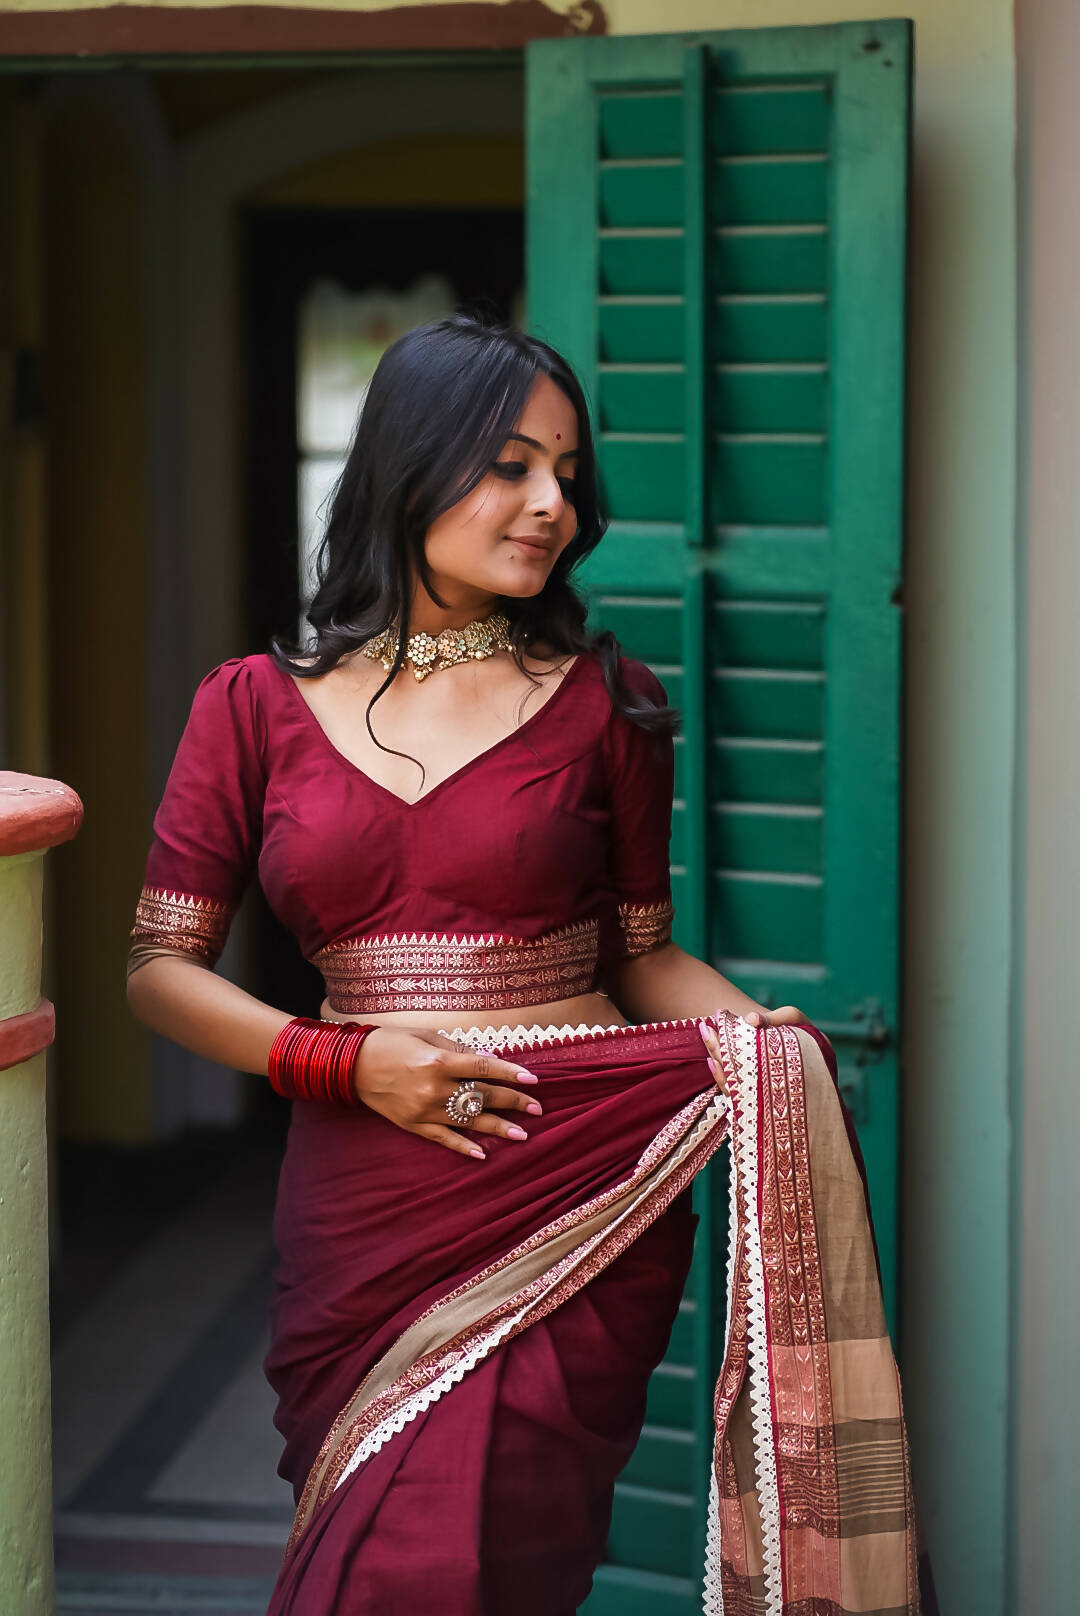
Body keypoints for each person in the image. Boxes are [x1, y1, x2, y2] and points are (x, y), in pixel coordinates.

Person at [127, 315, 924, 1614]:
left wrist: (766, 1045)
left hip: (575, 1185)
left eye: (566, 471)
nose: (552, 503)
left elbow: (644, 957)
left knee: (498, 1569)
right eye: (509, 464)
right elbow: (160, 968)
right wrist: (344, 1062)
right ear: (410, 464)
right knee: (381, 1553)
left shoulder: (609, 700)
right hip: (363, 1198)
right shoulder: (249, 707)